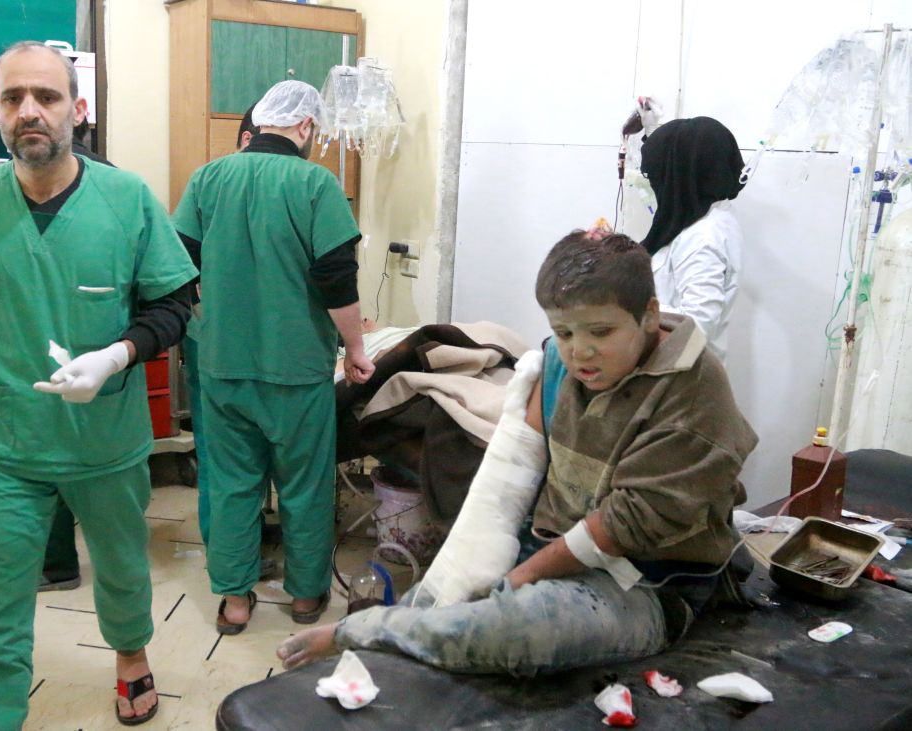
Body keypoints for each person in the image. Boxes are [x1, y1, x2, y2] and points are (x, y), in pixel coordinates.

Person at [0, 41, 197, 728]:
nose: (30, 111)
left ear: (76, 110)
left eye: (46, 97)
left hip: (105, 440)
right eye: (14, 98)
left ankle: (131, 652)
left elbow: (173, 305)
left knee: (121, 572)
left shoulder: (127, 199)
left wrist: (115, 356)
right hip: (3, 444)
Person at [278, 231, 758, 676]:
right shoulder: (556, 364)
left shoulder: (694, 389)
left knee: (518, 629)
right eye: (565, 333)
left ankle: (363, 632)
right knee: (448, 594)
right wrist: (471, 578)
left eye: (601, 333)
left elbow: (625, 524)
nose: (581, 353)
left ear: (649, 316)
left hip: (648, 585)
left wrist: (517, 581)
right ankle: (395, 628)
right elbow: (512, 474)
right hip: (555, 545)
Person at [171, 80, 374, 635]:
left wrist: (208, 319)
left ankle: (236, 602)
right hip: (297, 369)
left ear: (258, 122)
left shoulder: (209, 177)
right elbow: (337, 279)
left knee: (234, 482)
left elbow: (176, 265)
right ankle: (307, 598)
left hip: (222, 364)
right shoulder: (315, 184)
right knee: (305, 484)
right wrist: (356, 350)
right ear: (306, 127)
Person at [184, 103, 278, 576]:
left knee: (241, 458)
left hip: (261, 344)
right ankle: (226, 551)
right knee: (223, 456)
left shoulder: (289, 186)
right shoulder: (212, 183)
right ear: (247, 139)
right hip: (216, 342)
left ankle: (239, 549)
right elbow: (179, 265)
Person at [39, 115, 118, 593]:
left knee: (56, 464)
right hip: (94, 348)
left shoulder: (100, 188)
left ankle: (57, 564)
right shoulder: (108, 182)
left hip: (72, 349)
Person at [639, 116, 746, 361]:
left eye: (658, 175)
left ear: (679, 175)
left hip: (681, 382)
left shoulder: (702, 237)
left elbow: (697, 325)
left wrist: (627, 305)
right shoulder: (709, 214)